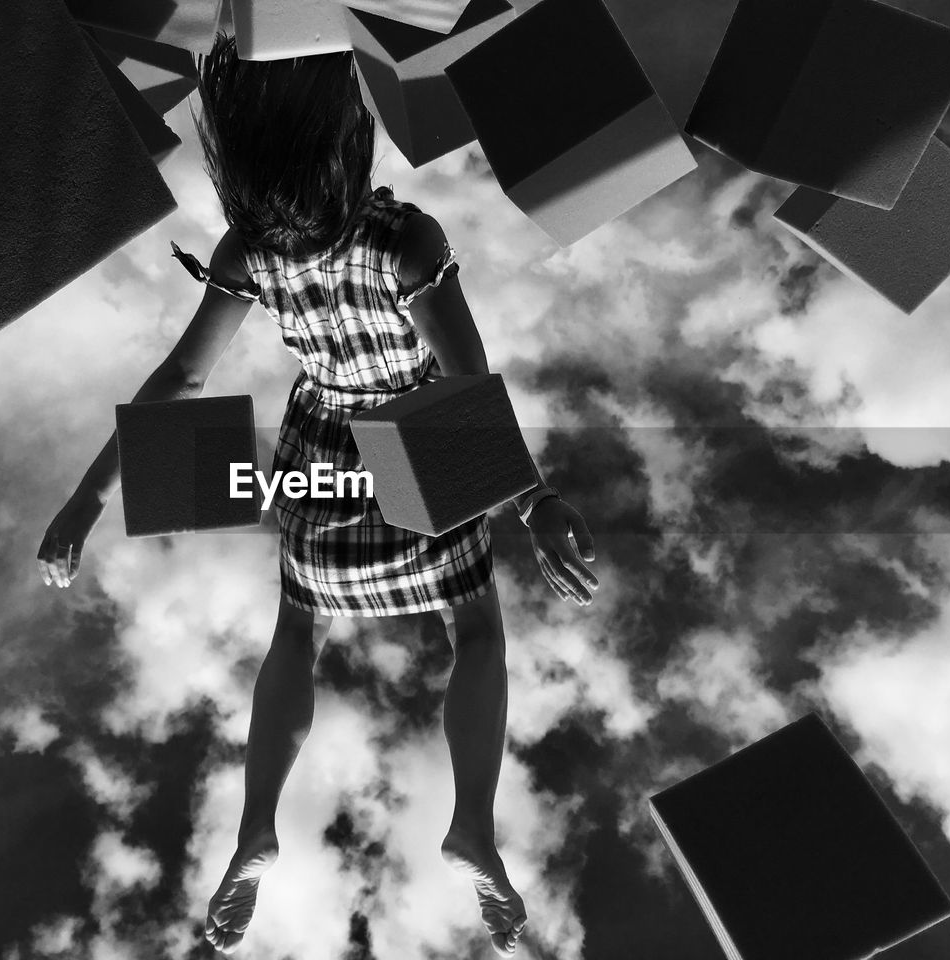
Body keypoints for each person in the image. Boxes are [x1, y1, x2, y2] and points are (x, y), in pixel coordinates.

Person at [37, 34, 598, 957]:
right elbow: (464, 385)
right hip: (418, 440)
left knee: (298, 631)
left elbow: (180, 378)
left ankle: (258, 819)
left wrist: (88, 500)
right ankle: (471, 823)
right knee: (480, 631)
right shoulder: (405, 239)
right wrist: (531, 505)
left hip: (324, 459)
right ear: (344, 143)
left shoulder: (250, 251)